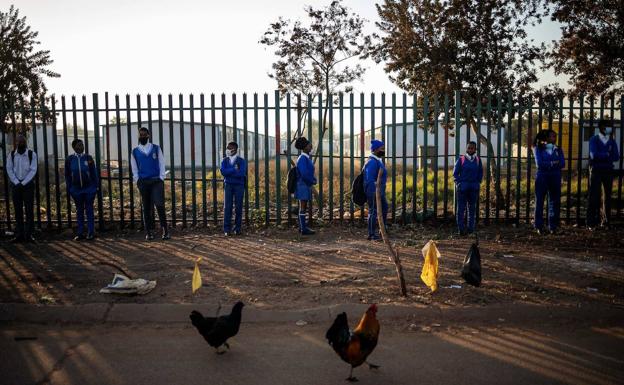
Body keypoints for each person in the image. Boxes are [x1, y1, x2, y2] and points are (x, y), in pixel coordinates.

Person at [131, 127, 170, 240]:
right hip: (143, 182)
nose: (142, 136)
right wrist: (137, 180)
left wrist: (161, 178)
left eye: (144, 134)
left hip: (156, 181)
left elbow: (162, 163)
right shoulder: (135, 151)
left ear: (148, 135)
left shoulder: (156, 148)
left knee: (159, 205)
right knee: (146, 207)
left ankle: (165, 230)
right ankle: (148, 232)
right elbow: (134, 168)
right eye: (140, 135)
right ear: (138, 136)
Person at [587, 119, 620, 230]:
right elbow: (593, 155)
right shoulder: (594, 140)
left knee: (607, 198)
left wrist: (603, 155)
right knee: (594, 197)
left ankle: (605, 222)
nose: (610, 128)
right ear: (601, 128)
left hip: (608, 171)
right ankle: (591, 223)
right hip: (596, 171)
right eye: (608, 126)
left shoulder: (612, 141)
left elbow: (616, 157)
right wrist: (607, 153)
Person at [6, 134, 37, 243]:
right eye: (18, 142)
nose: (20, 143)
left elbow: (33, 170)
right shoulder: (11, 155)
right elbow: (9, 169)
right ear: (16, 143)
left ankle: (29, 235)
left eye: (22, 142)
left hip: (27, 185)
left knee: (29, 210)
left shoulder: (31, 154)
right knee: (17, 210)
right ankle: (19, 234)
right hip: (16, 185)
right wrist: (16, 182)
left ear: (25, 142)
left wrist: (22, 183)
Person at [65, 139, 98, 240]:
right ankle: (80, 233)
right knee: (79, 210)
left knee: (89, 210)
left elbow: (93, 172)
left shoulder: (88, 158)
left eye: (82, 145)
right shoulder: (70, 159)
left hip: (88, 189)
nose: (81, 147)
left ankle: (91, 232)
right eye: (79, 145)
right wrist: (70, 188)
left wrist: (95, 187)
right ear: (74, 147)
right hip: (76, 189)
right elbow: (67, 175)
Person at [532, 130, 565, 235]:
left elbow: (563, 163)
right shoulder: (538, 149)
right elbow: (539, 164)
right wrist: (553, 162)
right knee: (540, 202)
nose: (554, 138)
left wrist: (550, 164)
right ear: (546, 138)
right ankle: (539, 226)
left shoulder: (558, 149)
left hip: (555, 177)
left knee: (554, 202)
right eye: (552, 136)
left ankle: (553, 226)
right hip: (542, 177)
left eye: (555, 136)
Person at [453, 141, 483, 236]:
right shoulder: (461, 159)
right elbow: (455, 174)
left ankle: (470, 229)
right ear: (466, 149)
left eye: (472, 148)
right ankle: (461, 229)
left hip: (473, 188)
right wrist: (459, 183)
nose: (470, 150)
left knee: (472, 209)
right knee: (461, 209)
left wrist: (477, 182)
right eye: (469, 148)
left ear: (475, 149)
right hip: (462, 189)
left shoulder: (478, 160)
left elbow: (480, 172)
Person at [220, 141, 247, 236]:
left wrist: (230, 172)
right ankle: (227, 229)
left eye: (229, 148)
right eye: (227, 148)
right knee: (227, 207)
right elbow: (223, 172)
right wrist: (234, 169)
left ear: (234, 149)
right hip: (228, 185)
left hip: (239, 185)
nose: (227, 150)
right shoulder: (224, 160)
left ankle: (237, 229)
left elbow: (242, 173)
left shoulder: (241, 161)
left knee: (238, 207)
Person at [363, 140, 387, 241]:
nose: (383, 151)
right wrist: (375, 191)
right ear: (376, 149)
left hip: (379, 191)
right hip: (373, 191)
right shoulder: (372, 162)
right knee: (373, 211)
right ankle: (371, 234)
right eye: (382, 149)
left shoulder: (377, 160)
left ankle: (382, 230)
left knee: (384, 208)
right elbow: (369, 179)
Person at [294, 137, 316, 235]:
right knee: (303, 206)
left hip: (304, 185)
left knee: (303, 206)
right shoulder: (302, 158)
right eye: (308, 144)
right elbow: (304, 174)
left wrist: (312, 179)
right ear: (305, 147)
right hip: (303, 185)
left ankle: (302, 227)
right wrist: (313, 180)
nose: (310, 145)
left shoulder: (305, 157)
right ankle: (303, 229)